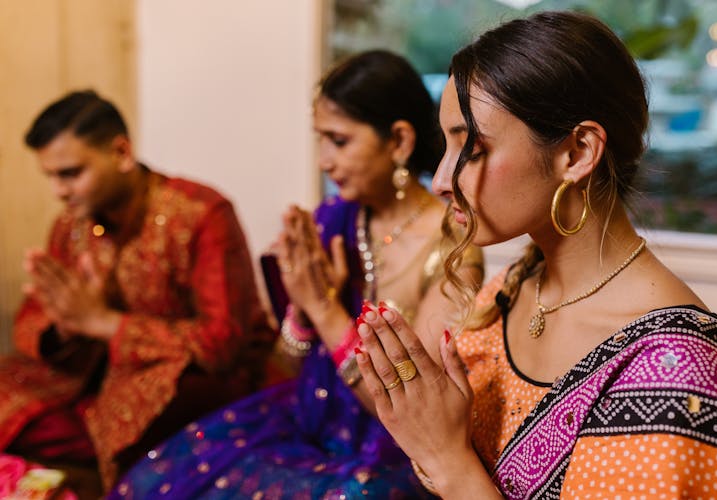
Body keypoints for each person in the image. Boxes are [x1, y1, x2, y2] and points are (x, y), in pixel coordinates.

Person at [353, 11, 717, 499]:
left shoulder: (673, 373)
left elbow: (451, 466)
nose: (439, 181)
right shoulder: (511, 291)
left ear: (578, 152)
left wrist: (449, 461)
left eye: (471, 149)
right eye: (445, 146)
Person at [110, 50, 484, 499]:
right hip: (307, 421)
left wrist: (325, 309)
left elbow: (413, 409)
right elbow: (288, 363)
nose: (325, 160)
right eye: (320, 140)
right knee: (157, 481)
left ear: (399, 141)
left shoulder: (452, 250)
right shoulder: (331, 222)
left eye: (339, 141)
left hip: (391, 453)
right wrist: (302, 315)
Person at [0, 90, 275, 492]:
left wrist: (104, 322)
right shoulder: (72, 224)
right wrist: (65, 324)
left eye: (71, 173)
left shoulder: (201, 215)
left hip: (188, 379)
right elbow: (33, 321)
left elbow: (223, 343)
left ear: (121, 152)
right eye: (51, 177)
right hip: (98, 375)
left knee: (144, 405)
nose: (59, 191)